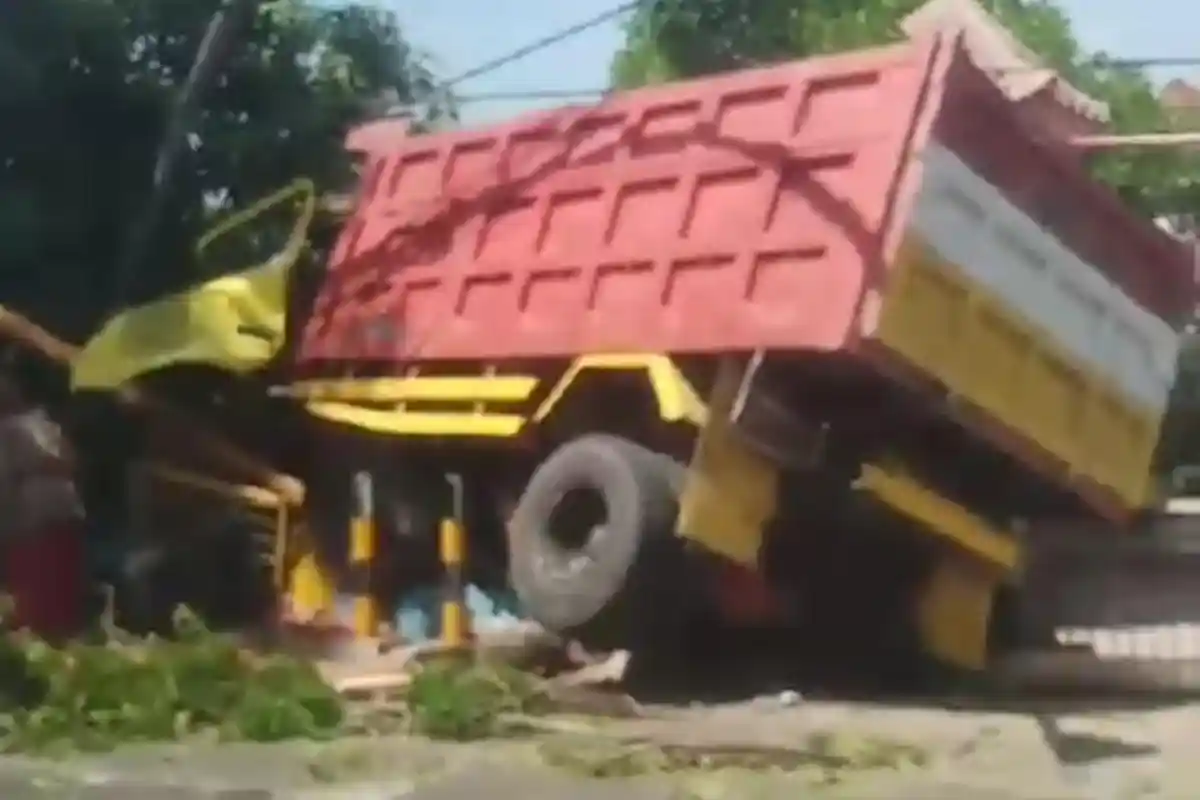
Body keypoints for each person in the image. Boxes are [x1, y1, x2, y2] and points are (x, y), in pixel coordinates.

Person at [0, 374, 86, 638]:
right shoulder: (16, 430)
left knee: (58, 590)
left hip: (54, 519)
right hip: (29, 524)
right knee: (36, 595)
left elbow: (69, 461)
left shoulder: (39, 423)